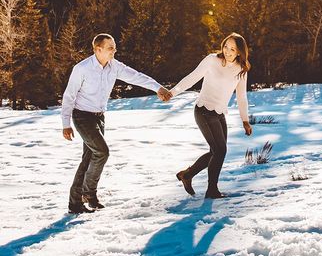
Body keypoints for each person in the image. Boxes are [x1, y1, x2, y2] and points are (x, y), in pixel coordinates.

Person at [62, 33, 170, 214]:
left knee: (90, 157)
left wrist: (157, 87)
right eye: (110, 47)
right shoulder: (82, 69)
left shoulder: (114, 66)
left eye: (114, 47)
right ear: (98, 49)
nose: (114, 51)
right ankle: (81, 197)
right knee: (102, 152)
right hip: (82, 116)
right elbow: (69, 96)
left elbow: (136, 76)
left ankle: (85, 197)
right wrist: (66, 123)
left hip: (99, 117)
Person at [158, 33, 252, 199]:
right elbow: (192, 77)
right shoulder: (211, 60)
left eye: (232, 49)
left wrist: (245, 120)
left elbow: (241, 96)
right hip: (203, 110)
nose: (227, 51)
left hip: (220, 113)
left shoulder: (241, 69)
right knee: (220, 150)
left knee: (216, 152)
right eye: (225, 46)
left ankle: (187, 175)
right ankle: (212, 190)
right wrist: (172, 93)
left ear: (239, 52)